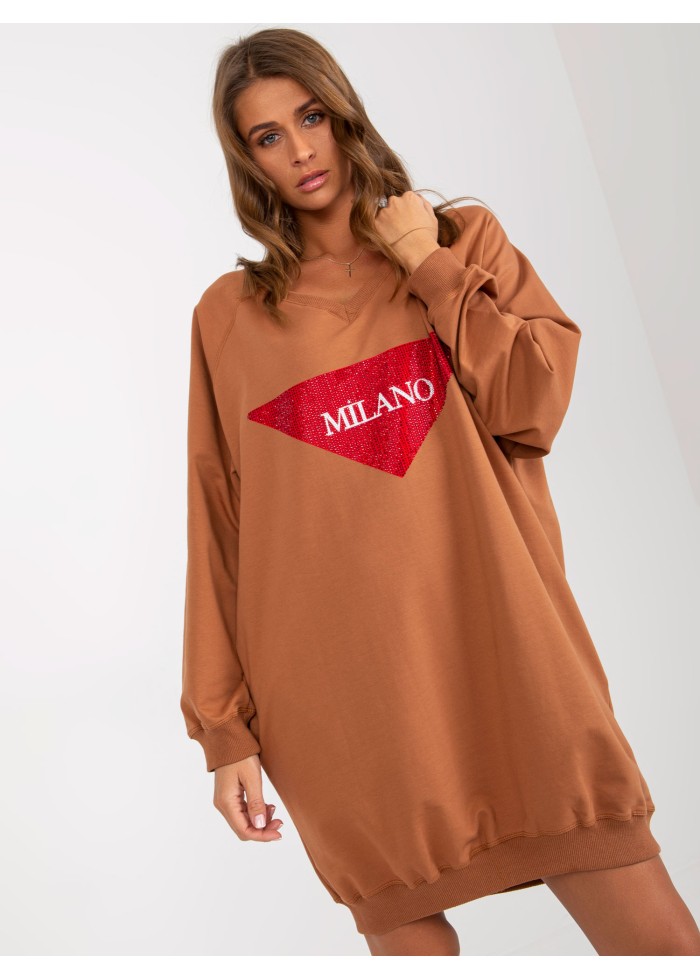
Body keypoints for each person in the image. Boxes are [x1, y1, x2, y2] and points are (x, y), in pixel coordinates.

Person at [180, 26, 700, 956]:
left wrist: (427, 263)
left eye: (311, 117)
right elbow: (219, 521)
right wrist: (226, 734)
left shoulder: (463, 240)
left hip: (508, 656)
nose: (300, 150)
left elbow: (533, 401)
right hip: (341, 702)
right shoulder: (231, 316)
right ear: (246, 160)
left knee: (660, 945)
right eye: (267, 135)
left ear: (344, 113)